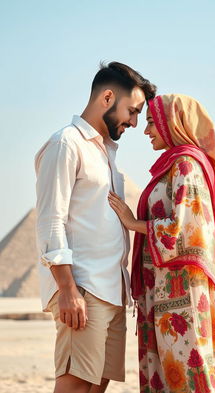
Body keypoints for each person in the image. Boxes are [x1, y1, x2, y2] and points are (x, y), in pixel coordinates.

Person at [35, 61, 156, 393]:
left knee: (96, 387)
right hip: (84, 288)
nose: (134, 122)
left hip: (112, 289)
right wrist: (68, 290)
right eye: (132, 111)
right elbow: (50, 220)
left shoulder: (107, 154)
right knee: (75, 385)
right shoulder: (66, 144)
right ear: (106, 97)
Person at [108, 94, 215, 392]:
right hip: (164, 291)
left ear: (173, 123)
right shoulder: (173, 165)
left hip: (183, 297)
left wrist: (132, 223)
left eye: (152, 122)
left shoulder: (186, 165)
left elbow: (189, 230)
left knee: (189, 373)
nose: (145, 130)